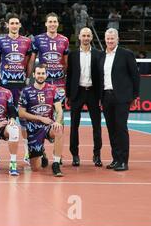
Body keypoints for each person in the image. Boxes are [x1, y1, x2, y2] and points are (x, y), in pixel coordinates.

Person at [29, 12, 69, 166]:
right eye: (50, 21)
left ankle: (57, 157)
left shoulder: (64, 40)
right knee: (41, 114)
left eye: (55, 21)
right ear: (46, 24)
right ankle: (41, 151)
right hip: (42, 84)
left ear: (57, 23)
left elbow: (65, 63)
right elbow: (32, 60)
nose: (52, 24)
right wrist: (30, 79)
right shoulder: (38, 39)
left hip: (58, 84)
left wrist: (64, 81)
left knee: (59, 118)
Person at [0, 13, 33, 166]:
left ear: (20, 25)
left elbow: (29, 62)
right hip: (4, 85)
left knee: (23, 120)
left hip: (20, 86)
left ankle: (27, 153)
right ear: (8, 25)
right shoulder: (0, 41)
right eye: (12, 23)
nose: (14, 25)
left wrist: (26, 78)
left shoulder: (27, 42)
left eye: (17, 23)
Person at [101, 28, 140, 171]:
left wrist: (135, 95)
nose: (110, 41)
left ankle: (123, 161)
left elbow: (135, 76)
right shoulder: (101, 56)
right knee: (111, 129)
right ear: (105, 39)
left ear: (117, 39)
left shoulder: (126, 54)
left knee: (121, 128)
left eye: (112, 39)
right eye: (108, 39)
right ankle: (116, 159)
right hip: (106, 97)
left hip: (122, 97)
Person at [65, 27, 103, 167]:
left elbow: (101, 77)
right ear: (79, 37)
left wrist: (101, 96)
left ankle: (97, 154)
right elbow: (69, 76)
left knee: (97, 126)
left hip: (93, 93)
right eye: (83, 35)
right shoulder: (73, 55)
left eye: (88, 35)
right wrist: (68, 95)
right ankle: (75, 155)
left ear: (91, 37)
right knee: (74, 126)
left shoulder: (99, 54)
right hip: (77, 92)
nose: (86, 38)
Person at [19, 64, 65, 177]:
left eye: (43, 73)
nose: (40, 76)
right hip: (33, 128)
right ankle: (42, 153)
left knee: (59, 129)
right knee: (36, 168)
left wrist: (58, 121)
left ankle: (56, 163)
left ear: (46, 74)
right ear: (34, 74)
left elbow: (59, 110)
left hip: (48, 126)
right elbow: (21, 113)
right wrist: (40, 118)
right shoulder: (26, 91)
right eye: (38, 73)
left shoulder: (53, 89)